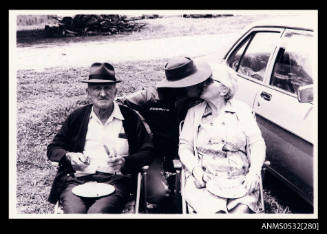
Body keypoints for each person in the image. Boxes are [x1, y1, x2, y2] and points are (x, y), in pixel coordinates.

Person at [47, 62, 154, 213]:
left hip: (115, 182)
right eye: (97, 88)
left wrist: (125, 162)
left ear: (115, 91)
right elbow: (53, 148)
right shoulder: (77, 117)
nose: (102, 94)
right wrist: (69, 156)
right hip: (77, 181)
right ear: (88, 92)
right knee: (74, 212)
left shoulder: (129, 117)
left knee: (98, 213)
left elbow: (148, 151)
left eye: (107, 88)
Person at [118, 57, 212, 212]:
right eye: (196, 81)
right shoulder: (151, 97)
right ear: (184, 84)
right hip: (155, 153)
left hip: (190, 151)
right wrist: (144, 129)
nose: (202, 84)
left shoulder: (199, 99)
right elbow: (121, 104)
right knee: (158, 194)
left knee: (203, 187)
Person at [178, 64, 266, 214]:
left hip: (241, 181)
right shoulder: (193, 113)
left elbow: (256, 144)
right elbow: (184, 148)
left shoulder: (242, 110)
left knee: (240, 212)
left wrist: (254, 172)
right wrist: (196, 171)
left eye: (209, 80)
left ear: (224, 89)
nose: (203, 83)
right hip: (205, 182)